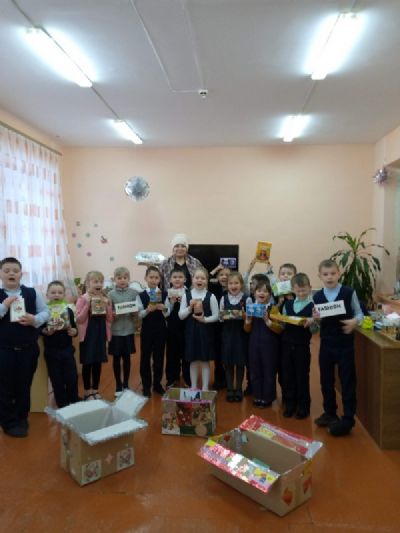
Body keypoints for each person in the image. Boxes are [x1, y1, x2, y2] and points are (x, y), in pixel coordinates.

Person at [313, 259, 363, 437]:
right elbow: (317, 324)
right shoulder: (317, 297)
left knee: (347, 381)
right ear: (320, 276)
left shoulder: (348, 292)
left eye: (333, 273)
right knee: (326, 380)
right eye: (325, 274)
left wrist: (354, 322)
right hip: (326, 344)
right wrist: (316, 320)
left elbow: (360, 313)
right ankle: (330, 412)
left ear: (339, 274)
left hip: (345, 345)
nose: (329, 277)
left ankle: (348, 419)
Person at [0, 257, 50, 437]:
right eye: (7, 270)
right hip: (4, 351)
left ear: (21, 274)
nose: (11, 273)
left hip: (28, 350)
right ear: (1, 274)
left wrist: (35, 319)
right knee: (4, 387)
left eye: (15, 270)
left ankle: (22, 418)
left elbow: (46, 312)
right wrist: (4, 306)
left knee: (24, 385)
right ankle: (8, 421)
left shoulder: (32, 293)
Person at [281, 273, 315, 419]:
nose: (301, 293)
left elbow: (315, 329)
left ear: (310, 288)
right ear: (293, 289)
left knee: (302, 376)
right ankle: (290, 404)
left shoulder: (313, 307)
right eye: (298, 290)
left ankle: (303, 406)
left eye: (304, 290)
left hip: (302, 346)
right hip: (287, 345)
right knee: (288, 375)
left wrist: (313, 322)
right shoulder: (287, 305)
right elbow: (283, 324)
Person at [179, 268, 219, 390]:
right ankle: (194, 387)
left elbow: (216, 316)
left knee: (205, 361)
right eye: (197, 278)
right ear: (192, 280)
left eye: (203, 278)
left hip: (205, 333)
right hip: (191, 332)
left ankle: (205, 388)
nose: (199, 280)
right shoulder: (186, 295)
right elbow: (181, 316)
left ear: (207, 281)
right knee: (193, 361)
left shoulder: (211, 296)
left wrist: (204, 320)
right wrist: (189, 308)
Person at [244, 279, 283, 407]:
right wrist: (248, 320)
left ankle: (268, 398)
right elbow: (247, 330)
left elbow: (280, 329)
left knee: (269, 370)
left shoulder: (274, 309)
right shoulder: (250, 308)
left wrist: (267, 321)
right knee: (255, 370)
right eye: (259, 290)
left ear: (270, 295)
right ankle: (257, 396)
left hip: (270, 346)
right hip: (253, 344)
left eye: (265, 291)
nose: (262, 293)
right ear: (254, 293)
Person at [42, 280, 80, 408]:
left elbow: (74, 328)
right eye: (53, 292)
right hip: (51, 350)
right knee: (56, 378)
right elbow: (40, 329)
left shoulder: (68, 310)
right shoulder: (44, 311)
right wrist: (46, 331)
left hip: (67, 349)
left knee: (72, 376)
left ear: (64, 295)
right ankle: (62, 402)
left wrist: (74, 332)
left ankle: (74, 399)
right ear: (47, 295)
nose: (56, 295)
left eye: (59, 292)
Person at [76, 271, 113, 400]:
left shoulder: (105, 298)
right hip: (88, 336)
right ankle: (87, 391)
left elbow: (109, 319)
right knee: (87, 363)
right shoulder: (83, 299)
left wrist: (107, 306)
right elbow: (79, 319)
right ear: (87, 283)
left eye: (101, 282)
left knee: (98, 362)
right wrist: (88, 305)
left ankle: (95, 389)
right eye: (95, 281)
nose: (99, 284)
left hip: (100, 335)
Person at [136, 265, 169, 397]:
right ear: (146, 278)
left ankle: (157, 384)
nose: (154, 280)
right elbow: (139, 315)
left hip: (161, 329)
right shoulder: (141, 295)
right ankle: (146, 386)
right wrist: (147, 310)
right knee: (145, 358)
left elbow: (168, 313)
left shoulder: (164, 294)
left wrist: (164, 308)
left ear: (159, 279)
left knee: (159, 358)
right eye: (151, 277)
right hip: (147, 330)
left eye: (156, 278)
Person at [108, 267, 138, 397]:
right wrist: (113, 315)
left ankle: (126, 384)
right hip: (115, 332)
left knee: (127, 358)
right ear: (114, 279)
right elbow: (108, 314)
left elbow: (136, 314)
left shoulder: (134, 293)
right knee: (116, 358)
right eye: (119, 278)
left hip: (129, 331)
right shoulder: (110, 294)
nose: (122, 280)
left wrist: (135, 313)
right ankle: (118, 385)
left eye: (125, 278)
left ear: (129, 279)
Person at [219, 272, 248, 401]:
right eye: (230, 283)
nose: (233, 285)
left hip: (241, 335)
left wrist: (244, 316)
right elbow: (220, 317)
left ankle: (239, 389)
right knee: (228, 362)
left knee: (240, 362)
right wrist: (225, 315)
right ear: (227, 285)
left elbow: (249, 318)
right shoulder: (223, 298)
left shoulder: (246, 298)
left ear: (241, 284)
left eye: (236, 283)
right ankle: (230, 389)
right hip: (227, 334)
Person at [165, 267, 191, 388]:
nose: (177, 279)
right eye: (175, 277)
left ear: (185, 279)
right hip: (172, 327)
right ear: (170, 279)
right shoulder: (167, 293)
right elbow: (165, 313)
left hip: (186, 327)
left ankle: (187, 378)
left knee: (186, 353)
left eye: (180, 277)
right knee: (172, 354)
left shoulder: (189, 293)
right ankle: (172, 378)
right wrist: (171, 303)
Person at [208, 265, 230, 389]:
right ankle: (218, 379)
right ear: (217, 278)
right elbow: (207, 278)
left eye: (227, 275)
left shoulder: (233, 290)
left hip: (228, 326)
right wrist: (216, 269)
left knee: (227, 354)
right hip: (216, 327)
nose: (224, 277)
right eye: (221, 275)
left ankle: (228, 380)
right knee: (217, 354)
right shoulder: (214, 288)